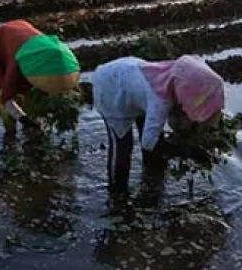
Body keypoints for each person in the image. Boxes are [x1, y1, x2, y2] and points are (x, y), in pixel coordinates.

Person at [92, 55, 225, 194]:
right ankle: (117, 191)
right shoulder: (160, 102)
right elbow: (148, 143)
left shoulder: (175, 79)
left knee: (154, 137)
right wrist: (184, 151)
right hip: (111, 88)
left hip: (133, 81)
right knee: (123, 146)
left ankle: (152, 179)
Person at [0, 20, 81, 135]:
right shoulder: (14, 69)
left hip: (24, 32)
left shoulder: (57, 58)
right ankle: (10, 132)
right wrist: (24, 120)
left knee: (32, 98)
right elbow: (6, 100)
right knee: (4, 92)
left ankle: (31, 127)